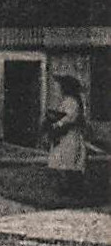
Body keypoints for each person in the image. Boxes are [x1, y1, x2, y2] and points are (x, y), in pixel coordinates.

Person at [45, 75, 87, 204]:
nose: (60, 89)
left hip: (69, 135)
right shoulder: (67, 100)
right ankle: (67, 188)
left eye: (62, 86)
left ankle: (74, 190)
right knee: (64, 161)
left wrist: (55, 124)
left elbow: (69, 119)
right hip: (64, 136)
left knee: (70, 162)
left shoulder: (71, 102)